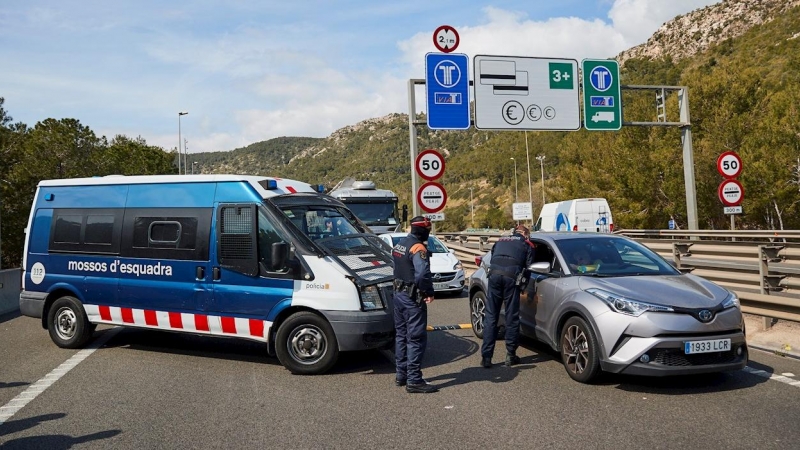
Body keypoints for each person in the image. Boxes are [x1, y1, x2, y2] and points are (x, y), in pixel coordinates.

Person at [392, 216, 438, 393]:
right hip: (412, 299)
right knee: (416, 338)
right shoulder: (418, 248)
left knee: (401, 336)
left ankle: (401, 375)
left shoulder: (400, 244)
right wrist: (428, 292)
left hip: (398, 295)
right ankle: (414, 380)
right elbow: (421, 275)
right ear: (424, 230)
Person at [481, 224, 535, 368]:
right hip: (511, 279)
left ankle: (486, 357)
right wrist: (523, 286)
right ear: (524, 234)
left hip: (494, 277)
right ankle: (510, 355)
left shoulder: (500, 241)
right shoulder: (526, 244)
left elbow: (494, 258)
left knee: (491, 316)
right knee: (511, 316)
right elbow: (529, 268)